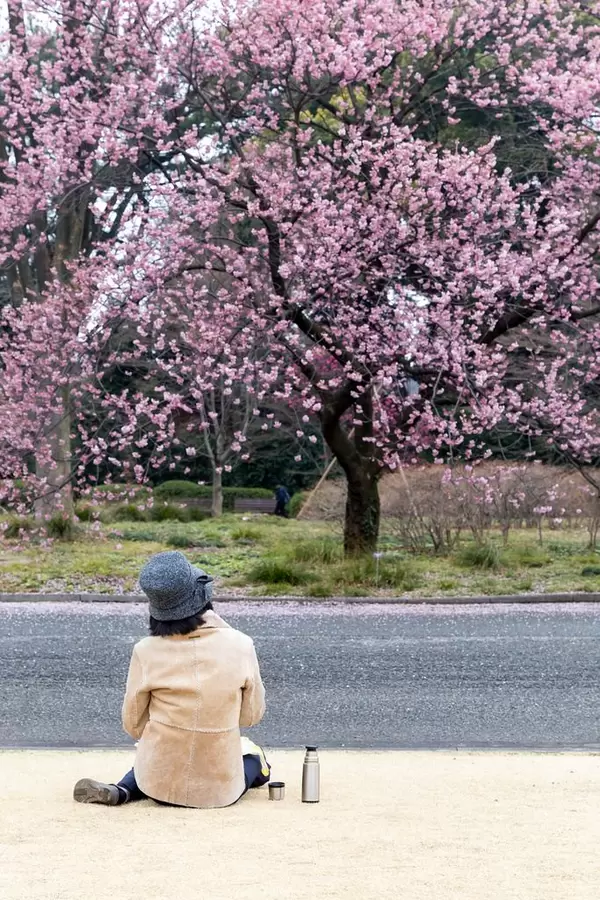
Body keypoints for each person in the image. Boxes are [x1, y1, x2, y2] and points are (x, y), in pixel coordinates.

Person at [73, 551, 270, 808]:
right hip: (217, 793)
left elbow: (133, 723)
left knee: (156, 755)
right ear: (202, 597)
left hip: (158, 784)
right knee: (254, 756)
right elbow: (250, 717)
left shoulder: (146, 650)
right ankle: (250, 771)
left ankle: (123, 790)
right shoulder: (241, 645)